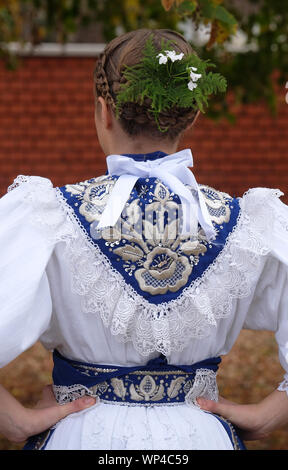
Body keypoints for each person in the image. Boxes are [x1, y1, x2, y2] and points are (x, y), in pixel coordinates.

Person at [1, 28, 288, 451]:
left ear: (104, 112)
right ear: (192, 116)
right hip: (201, 437)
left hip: (83, 435)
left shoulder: (46, 217)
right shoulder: (250, 222)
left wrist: (11, 417)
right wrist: (274, 412)